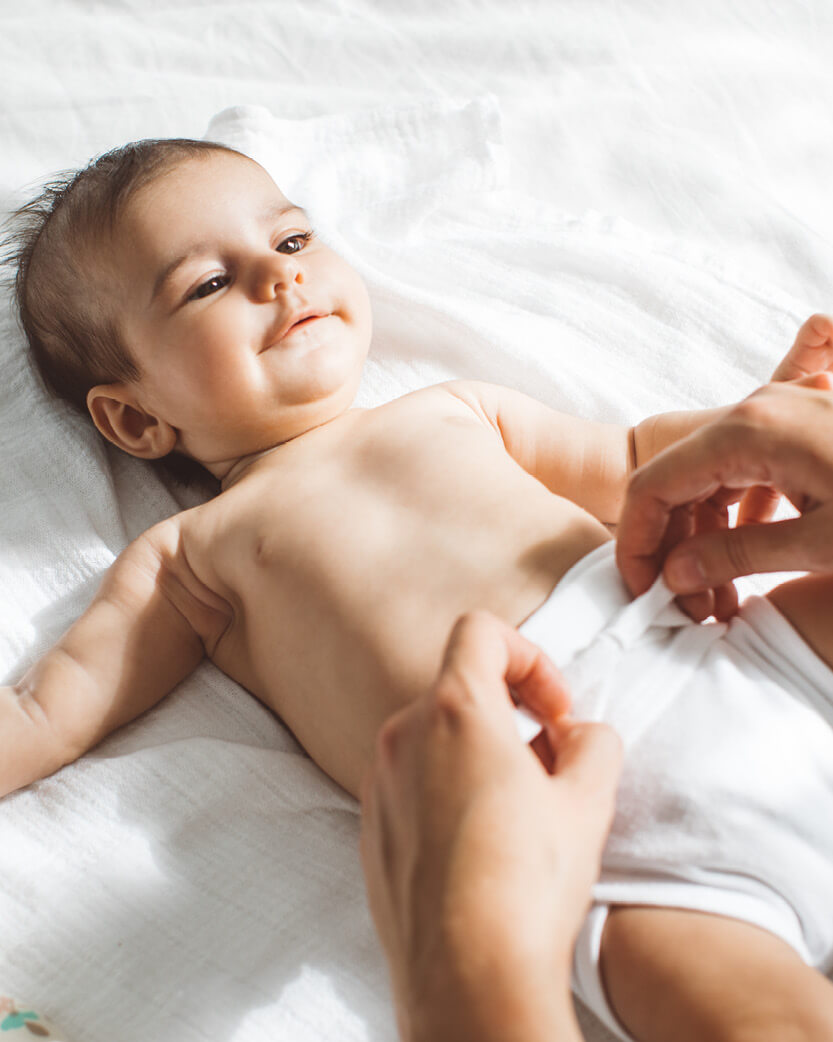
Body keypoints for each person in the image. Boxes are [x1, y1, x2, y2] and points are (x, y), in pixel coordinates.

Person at [2, 138, 833, 1041]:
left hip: (740, 659)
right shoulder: (189, 557)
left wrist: (766, 409)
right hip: (597, 852)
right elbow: (51, 709)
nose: (280, 281)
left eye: (291, 241)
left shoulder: (453, 408)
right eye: (206, 284)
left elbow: (633, 459)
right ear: (134, 415)